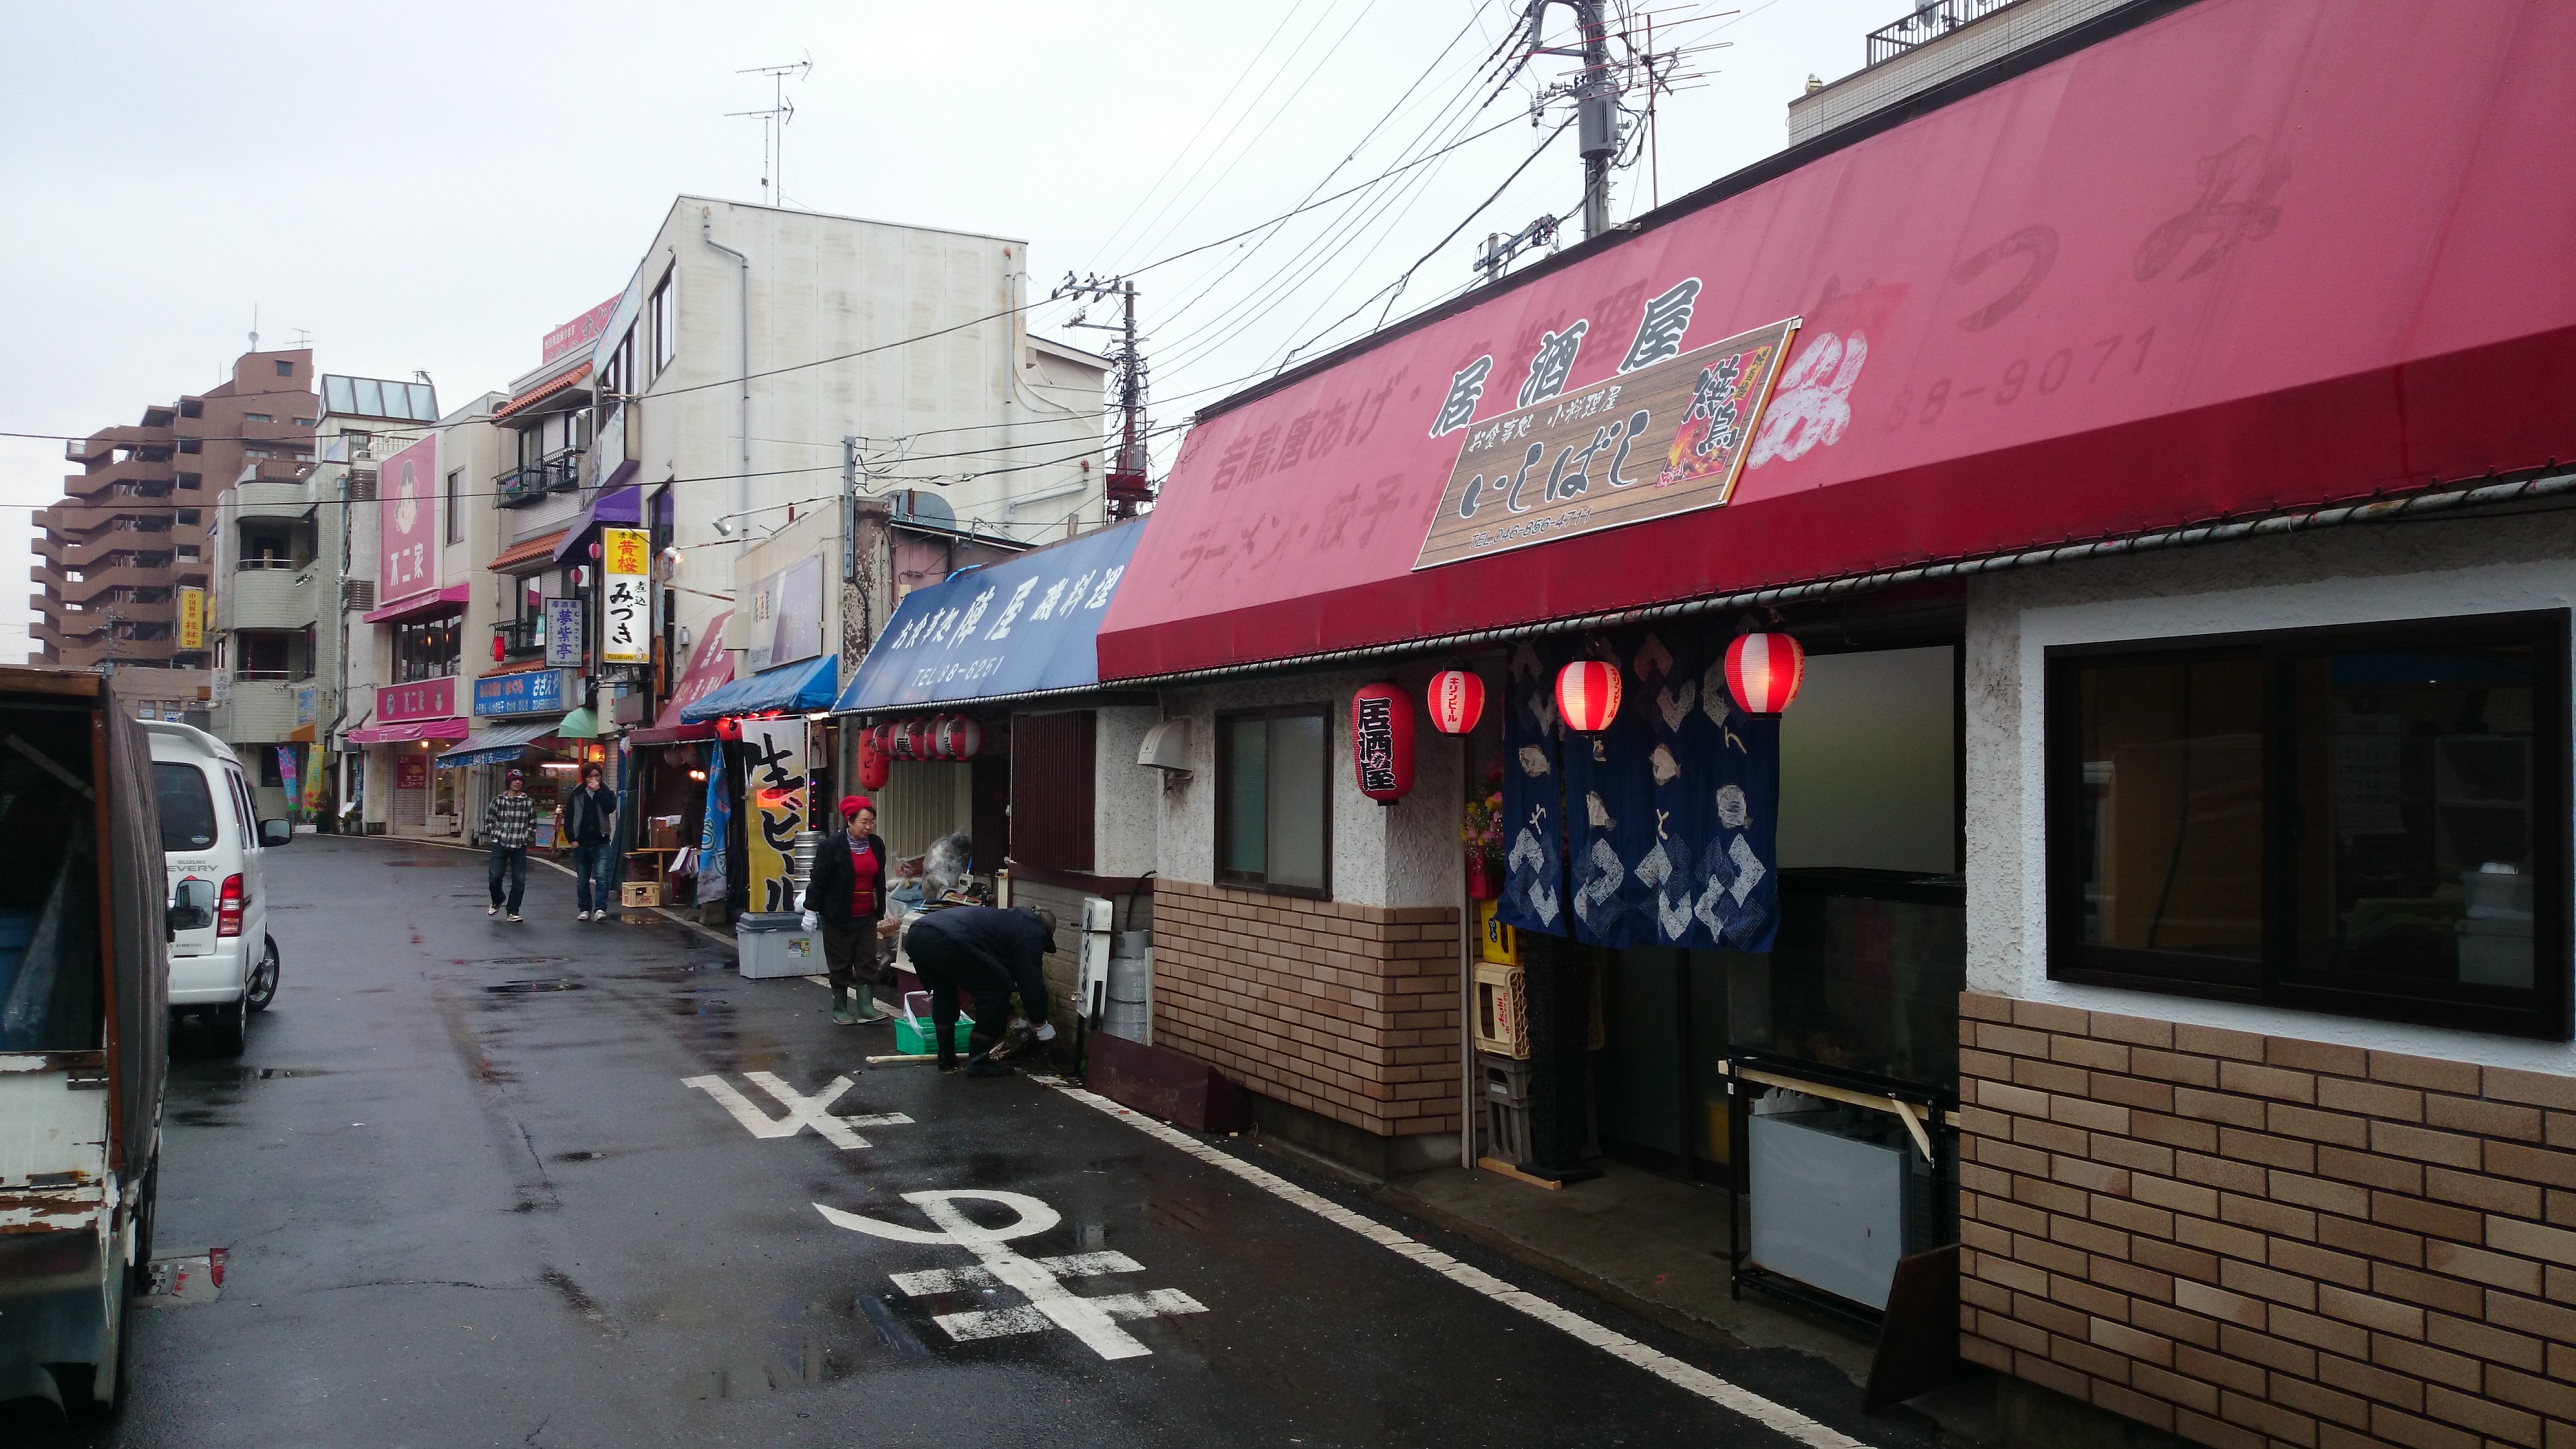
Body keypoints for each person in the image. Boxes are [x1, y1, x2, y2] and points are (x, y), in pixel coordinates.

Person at [902, 903, 1059, 1075]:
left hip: (918, 933)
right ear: (1045, 932)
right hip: (945, 939)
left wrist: (1013, 1019)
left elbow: (987, 974)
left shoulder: (1008, 921)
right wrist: (1040, 1024)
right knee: (993, 993)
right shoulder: (1032, 931)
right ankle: (978, 1061)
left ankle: (946, 1058)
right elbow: (1030, 980)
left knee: (945, 988)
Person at [801, 795, 893, 1026]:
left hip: (867, 913)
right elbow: (819, 879)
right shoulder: (831, 846)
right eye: (863, 822)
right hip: (838, 913)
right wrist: (810, 910)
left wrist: (881, 907)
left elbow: (879, 878)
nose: (869, 827)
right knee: (840, 962)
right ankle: (840, 1008)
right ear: (849, 821)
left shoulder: (876, 844)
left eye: (872, 821)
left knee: (867, 960)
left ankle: (865, 1006)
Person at [557, 762, 620, 922]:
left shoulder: (605, 791)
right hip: (582, 843)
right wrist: (572, 840)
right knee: (582, 879)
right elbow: (569, 817)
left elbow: (611, 807)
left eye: (597, 776)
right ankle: (584, 909)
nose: (594, 779)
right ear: (584, 778)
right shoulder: (577, 794)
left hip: (601, 841)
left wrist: (598, 791)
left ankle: (600, 909)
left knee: (602, 876)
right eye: (590, 776)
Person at [481, 769, 537, 922]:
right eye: (514, 780)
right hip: (501, 842)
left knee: (519, 879)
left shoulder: (528, 803)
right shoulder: (498, 801)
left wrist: (527, 838)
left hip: (520, 843)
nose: (517, 783)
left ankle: (513, 911)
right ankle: (497, 899)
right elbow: (490, 820)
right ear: (509, 782)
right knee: (495, 876)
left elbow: (533, 823)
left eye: (520, 780)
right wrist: (495, 836)